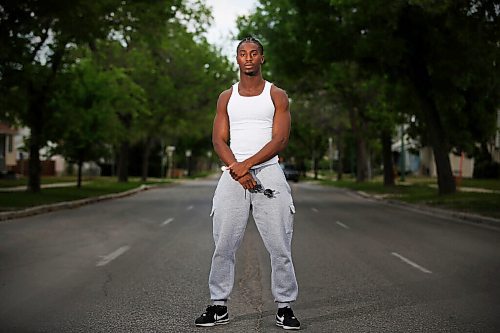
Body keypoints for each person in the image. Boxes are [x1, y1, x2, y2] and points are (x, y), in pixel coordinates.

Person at [195, 37, 300, 330]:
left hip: (268, 172)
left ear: (262, 58)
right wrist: (238, 170)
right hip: (233, 174)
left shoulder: (276, 95)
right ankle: (218, 305)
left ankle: (285, 307)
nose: (248, 58)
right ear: (237, 59)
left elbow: (279, 139)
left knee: (280, 244)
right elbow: (218, 139)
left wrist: (247, 165)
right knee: (224, 244)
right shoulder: (226, 97)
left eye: (254, 53)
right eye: (243, 53)